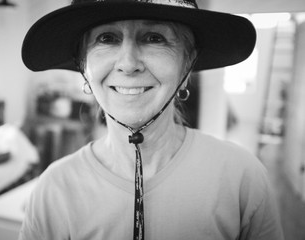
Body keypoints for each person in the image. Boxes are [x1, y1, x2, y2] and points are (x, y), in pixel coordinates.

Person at [19, 0, 284, 239]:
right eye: (107, 38)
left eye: (154, 38)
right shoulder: (55, 189)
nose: (128, 63)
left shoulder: (241, 179)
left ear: (187, 63)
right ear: (83, 64)